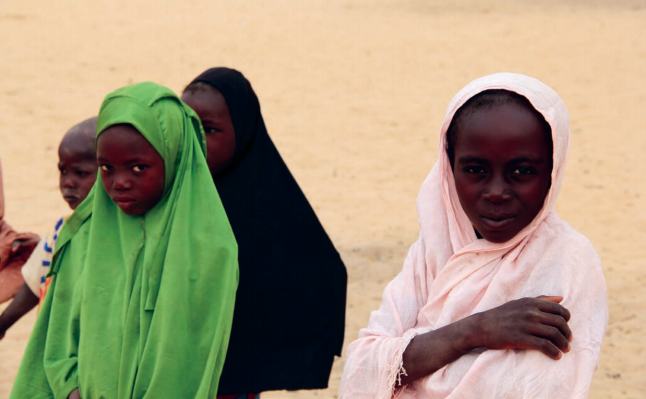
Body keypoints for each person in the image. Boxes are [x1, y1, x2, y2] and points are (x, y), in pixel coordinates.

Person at [339, 72, 607, 398]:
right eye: (475, 170)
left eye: (522, 171)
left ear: (552, 170)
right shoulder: (433, 247)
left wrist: (415, 352)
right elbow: (363, 366)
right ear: (448, 166)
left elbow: (524, 389)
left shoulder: (567, 261)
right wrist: (477, 330)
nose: (496, 192)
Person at [11, 82, 238, 399]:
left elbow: (186, 365)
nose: (119, 183)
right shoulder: (83, 235)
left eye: (138, 167)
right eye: (106, 168)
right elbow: (57, 335)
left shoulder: (208, 248)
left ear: (173, 157)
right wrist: (70, 388)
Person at [181, 67, 347, 398]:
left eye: (210, 130)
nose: (196, 142)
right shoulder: (166, 192)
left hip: (233, 379)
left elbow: (322, 271)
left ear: (242, 131)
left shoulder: (268, 199)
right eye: (186, 129)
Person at [0, 117, 96, 340]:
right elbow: (35, 283)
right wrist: (4, 322)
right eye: (63, 172)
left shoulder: (122, 233)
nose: (68, 183)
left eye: (81, 174)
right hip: (58, 344)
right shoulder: (61, 231)